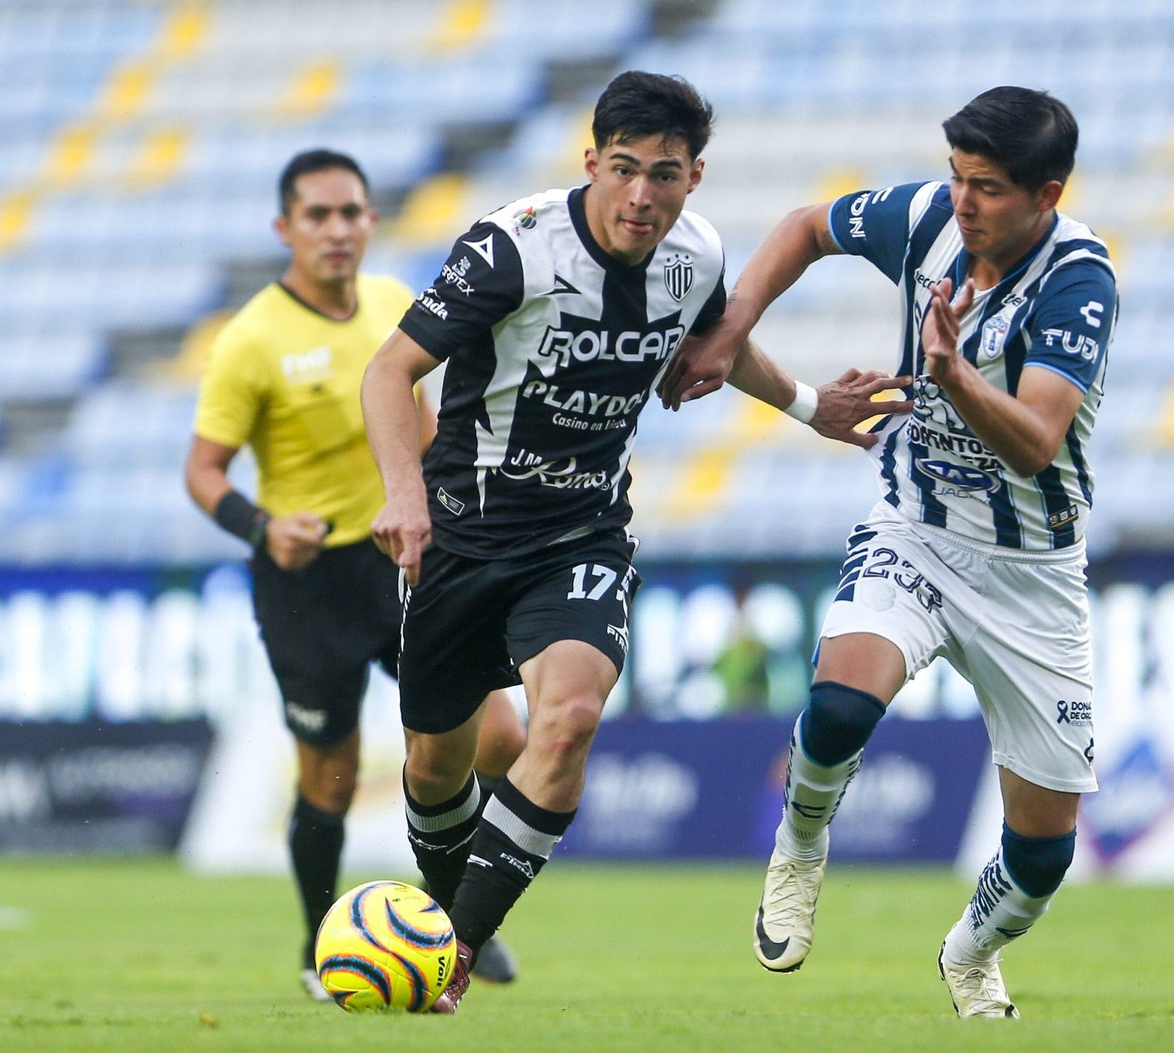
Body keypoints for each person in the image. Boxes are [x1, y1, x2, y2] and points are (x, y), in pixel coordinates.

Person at [361, 70, 906, 1015]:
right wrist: (403, 495)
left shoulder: (695, 254)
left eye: (665, 173)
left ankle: (453, 951)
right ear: (591, 163)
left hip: (583, 534)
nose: (642, 196)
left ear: (696, 176)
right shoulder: (511, 248)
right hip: (459, 538)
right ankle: (443, 911)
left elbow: (717, 343)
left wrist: (812, 406)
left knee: (567, 719)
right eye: (624, 170)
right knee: (435, 765)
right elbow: (390, 367)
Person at [660, 86, 1117, 1018]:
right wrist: (733, 324)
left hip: (1032, 576)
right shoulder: (928, 219)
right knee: (837, 705)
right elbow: (804, 226)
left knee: (1043, 853)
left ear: (1046, 194)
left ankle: (970, 949)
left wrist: (950, 374)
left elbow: (1034, 440)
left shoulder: (1079, 280)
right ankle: (799, 845)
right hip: (916, 522)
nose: (962, 201)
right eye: (957, 177)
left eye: (986, 187)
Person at [182, 148, 526, 1002]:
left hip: (407, 554)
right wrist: (261, 525)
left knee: (500, 738)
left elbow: (426, 419)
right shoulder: (251, 339)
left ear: (372, 221)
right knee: (329, 770)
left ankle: (460, 922)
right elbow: (203, 470)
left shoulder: (391, 306)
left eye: (352, 213)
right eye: (319, 215)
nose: (338, 230)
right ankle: (317, 940)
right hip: (310, 582)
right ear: (286, 228)